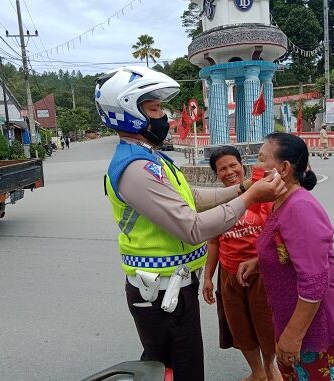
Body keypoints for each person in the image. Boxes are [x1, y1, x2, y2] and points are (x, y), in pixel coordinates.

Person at [95, 66, 287, 381]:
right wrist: (250, 198)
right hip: (158, 292)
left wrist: (240, 189)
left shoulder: (151, 158)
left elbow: (193, 197)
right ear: (128, 112)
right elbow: (192, 226)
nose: (163, 117)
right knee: (179, 372)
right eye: (154, 108)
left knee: (170, 369)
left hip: (171, 287)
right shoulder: (136, 168)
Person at [238, 132, 334, 380]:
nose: (255, 167)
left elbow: (314, 280)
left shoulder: (300, 208)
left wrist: (293, 335)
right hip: (290, 317)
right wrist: (260, 262)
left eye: (261, 159)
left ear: (284, 168)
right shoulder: (281, 201)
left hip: (313, 326)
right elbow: (287, 250)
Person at [203, 146, 281, 381]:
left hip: (262, 272)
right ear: (216, 174)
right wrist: (207, 277)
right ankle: (257, 371)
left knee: (267, 324)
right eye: (222, 169)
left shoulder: (262, 193)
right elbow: (214, 243)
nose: (229, 171)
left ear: (242, 165)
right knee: (240, 326)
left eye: (232, 165)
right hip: (229, 274)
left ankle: (270, 368)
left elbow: (278, 234)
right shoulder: (217, 203)